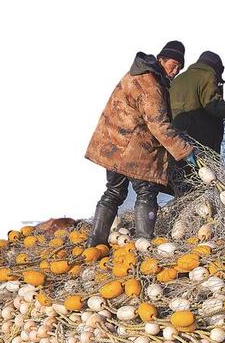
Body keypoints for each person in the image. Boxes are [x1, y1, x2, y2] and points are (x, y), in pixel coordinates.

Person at [84, 41, 196, 247]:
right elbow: (159, 125)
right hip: (133, 149)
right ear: (161, 60)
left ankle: (95, 242)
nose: (176, 70)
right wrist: (184, 150)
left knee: (114, 191)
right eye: (174, 65)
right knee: (146, 191)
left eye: (180, 67)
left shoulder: (137, 73)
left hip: (113, 144)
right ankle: (144, 242)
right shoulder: (151, 85)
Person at [169, 50, 225, 155]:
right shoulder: (206, 75)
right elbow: (214, 105)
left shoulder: (177, 79)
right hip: (200, 144)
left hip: (177, 145)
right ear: (217, 68)